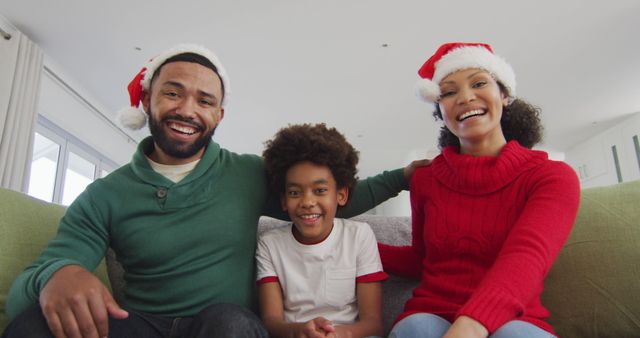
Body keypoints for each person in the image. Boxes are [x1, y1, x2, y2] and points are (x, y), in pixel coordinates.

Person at [2, 44, 418, 338]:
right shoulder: (104, 196)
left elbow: (331, 202)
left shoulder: (247, 173)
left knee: (229, 322)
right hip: (142, 323)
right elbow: (31, 286)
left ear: (218, 115)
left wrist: (405, 174)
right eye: (172, 93)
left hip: (225, 324)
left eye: (204, 100)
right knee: (32, 327)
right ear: (147, 100)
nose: (187, 109)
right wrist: (58, 275)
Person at [379, 42, 581, 338]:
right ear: (440, 110)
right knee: (415, 328)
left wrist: (470, 326)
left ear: (504, 94)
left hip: (513, 320)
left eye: (479, 83)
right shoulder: (426, 180)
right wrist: (344, 244)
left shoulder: (551, 177)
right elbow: (422, 258)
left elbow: (527, 257)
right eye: (449, 92)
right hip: (432, 316)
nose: (465, 97)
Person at [257, 123, 386, 338]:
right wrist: (301, 331)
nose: (307, 202)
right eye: (295, 192)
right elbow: (271, 322)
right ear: (283, 200)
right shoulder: (270, 244)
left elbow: (373, 324)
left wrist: (338, 335)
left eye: (320, 190)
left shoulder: (359, 235)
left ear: (341, 195)